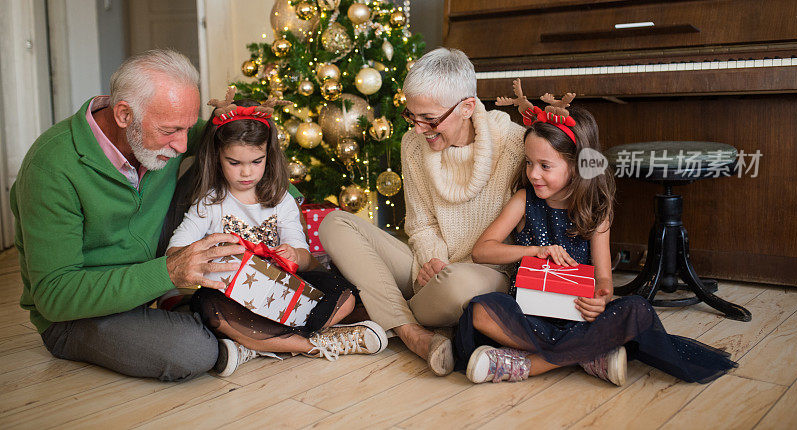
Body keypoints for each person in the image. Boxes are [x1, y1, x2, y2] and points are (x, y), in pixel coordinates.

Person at [454, 84, 737, 385]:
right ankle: (591, 354)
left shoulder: (597, 209)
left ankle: (530, 365)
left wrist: (602, 297)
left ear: (576, 167)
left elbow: (603, 279)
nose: (533, 173)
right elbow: (482, 251)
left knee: (638, 310)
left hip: (579, 318)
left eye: (545, 166)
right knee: (480, 309)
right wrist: (534, 251)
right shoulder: (524, 200)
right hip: (529, 314)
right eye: (529, 163)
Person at [9, 49, 263, 382]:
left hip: (148, 270)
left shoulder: (162, 132)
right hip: (74, 316)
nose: (182, 144)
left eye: (187, 127)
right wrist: (168, 273)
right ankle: (207, 316)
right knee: (193, 351)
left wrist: (286, 203)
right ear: (124, 115)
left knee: (221, 153)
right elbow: (55, 297)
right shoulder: (51, 167)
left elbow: (238, 139)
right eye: (170, 131)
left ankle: (196, 308)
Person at [319, 48, 525, 376]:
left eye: (429, 118)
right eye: (411, 116)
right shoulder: (413, 144)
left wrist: (445, 274)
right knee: (334, 223)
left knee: (457, 287)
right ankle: (412, 333)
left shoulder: (515, 143)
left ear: (467, 107)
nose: (418, 129)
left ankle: (380, 311)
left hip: (484, 273)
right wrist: (432, 263)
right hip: (428, 271)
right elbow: (421, 224)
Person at [167, 92, 387, 376]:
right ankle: (313, 344)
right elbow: (175, 253)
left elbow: (306, 259)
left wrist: (294, 255)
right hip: (239, 299)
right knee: (208, 306)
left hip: (285, 293)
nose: (246, 172)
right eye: (234, 163)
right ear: (217, 157)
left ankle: (254, 345)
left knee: (345, 294)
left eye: (256, 162)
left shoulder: (280, 200)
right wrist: (210, 256)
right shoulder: (209, 205)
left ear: (268, 157)